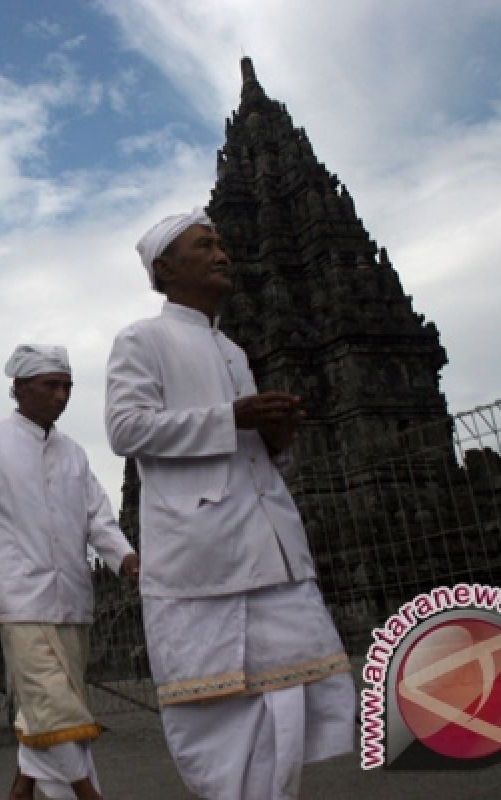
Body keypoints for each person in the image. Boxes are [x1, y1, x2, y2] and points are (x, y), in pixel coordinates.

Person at [104, 209, 354, 799]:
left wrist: (275, 437)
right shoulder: (143, 339)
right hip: (201, 559)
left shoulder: (235, 351)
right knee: (218, 718)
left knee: (286, 706)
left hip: (269, 547)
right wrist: (233, 416)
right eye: (204, 244)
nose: (222, 252)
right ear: (167, 268)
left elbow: (251, 455)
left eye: (221, 241)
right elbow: (125, 429)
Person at [0, 344, 139, 800]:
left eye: (67, 387)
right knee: (55, 707)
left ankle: (23, 788)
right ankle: (85, 793)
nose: (60, 396)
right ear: (19, 388)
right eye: (50, 386)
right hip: (18, 601)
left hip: (74, 601)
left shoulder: (74, 453)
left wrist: (127, 559)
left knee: (50, 705)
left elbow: (98, 517)